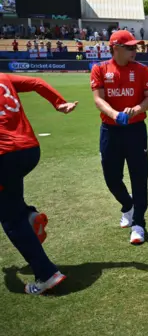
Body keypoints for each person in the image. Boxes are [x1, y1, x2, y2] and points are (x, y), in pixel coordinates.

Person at [0, 73, 78, 294]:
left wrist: (9, 275)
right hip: (29, 150)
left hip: (4, 154)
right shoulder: (3, 77)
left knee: (9, 218)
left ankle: (46, 274)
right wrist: (59, 103)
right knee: (10, 201)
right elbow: (36, 82)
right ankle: (30, 216)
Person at [90, 30, 148, 245]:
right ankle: (127, 206)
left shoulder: (142, 70)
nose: (134, 51)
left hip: (136, 130)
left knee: (139, 177)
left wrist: (136, 109)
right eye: (129, 47)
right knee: (112, 178)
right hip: (110, 130)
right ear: (115, 48)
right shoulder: (100, 69)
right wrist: (115, 115)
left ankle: (139, 223)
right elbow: (98, 99)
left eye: (135, 47)